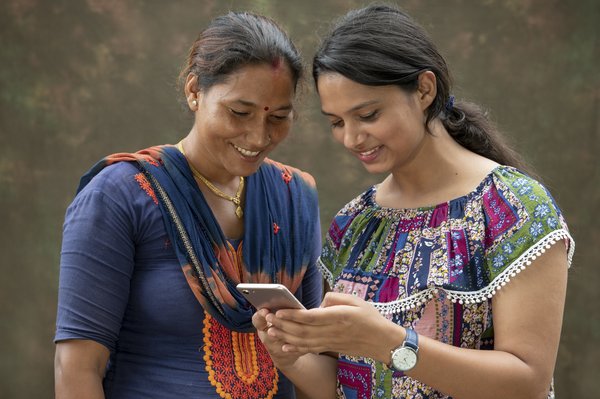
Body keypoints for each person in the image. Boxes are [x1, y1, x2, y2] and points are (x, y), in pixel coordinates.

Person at [253, 5, 574, 399]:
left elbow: (527, 382)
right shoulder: (354, 223)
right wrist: (290, 355)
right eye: (337, 122)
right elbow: (342, 386)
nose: (352, 139)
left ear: (424, 89)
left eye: (367, 114)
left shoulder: (513, 208)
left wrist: (389, 342)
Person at [54, 11, 322, 399]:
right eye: (239, 112)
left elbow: (314, 354)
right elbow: (76, 368)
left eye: (279, 117)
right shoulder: (121, 195)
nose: (258, 135)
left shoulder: (295, 196)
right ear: (195, 91)